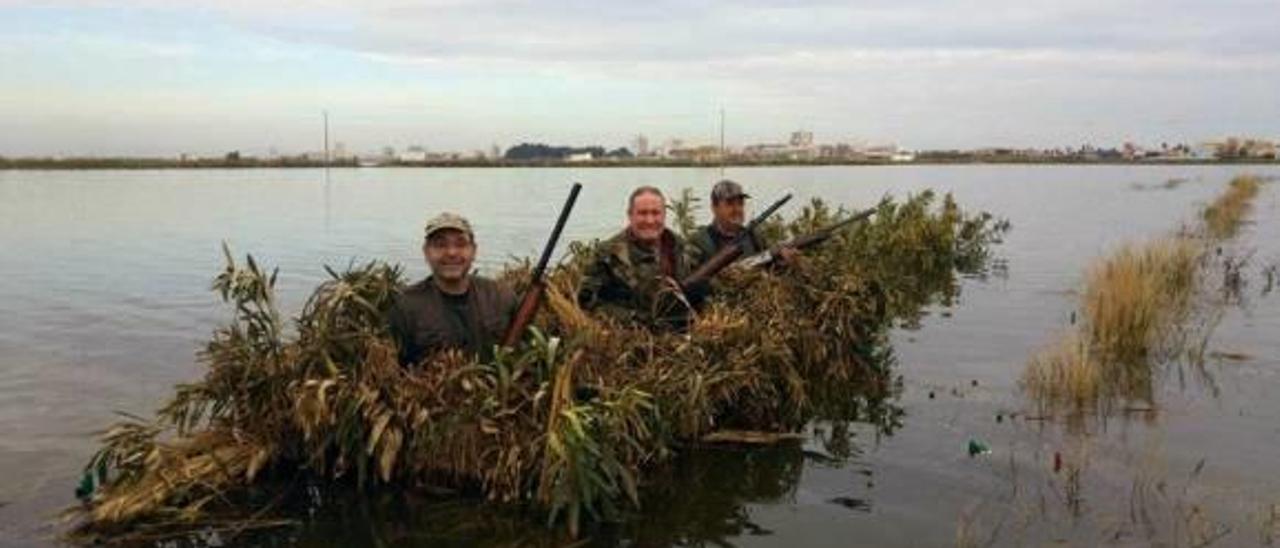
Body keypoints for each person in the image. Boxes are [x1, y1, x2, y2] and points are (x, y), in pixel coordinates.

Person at [390, 212, 516, 366]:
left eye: (461, 244)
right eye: (440, 245)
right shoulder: (406, 306)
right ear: (426, 252)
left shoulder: (501, 296)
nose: (451, 252)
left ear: (474, 251)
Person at [578, 186, 699, 328]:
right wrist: (636, 320)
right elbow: (587, 304)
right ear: (630, 215)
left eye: (656, 213)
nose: (649, 220)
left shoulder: (682, 247)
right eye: (642, 213)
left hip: (683, 332)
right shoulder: (607, 255)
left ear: (664, 215)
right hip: (631, 336)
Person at [686, 179, 797, 271]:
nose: (737, 209)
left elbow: (770, 270)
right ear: (714, 208)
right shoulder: (699, 241)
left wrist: (784, 263)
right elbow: (691, 285)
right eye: (729, 204)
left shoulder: (755, 237)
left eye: (740, 204)